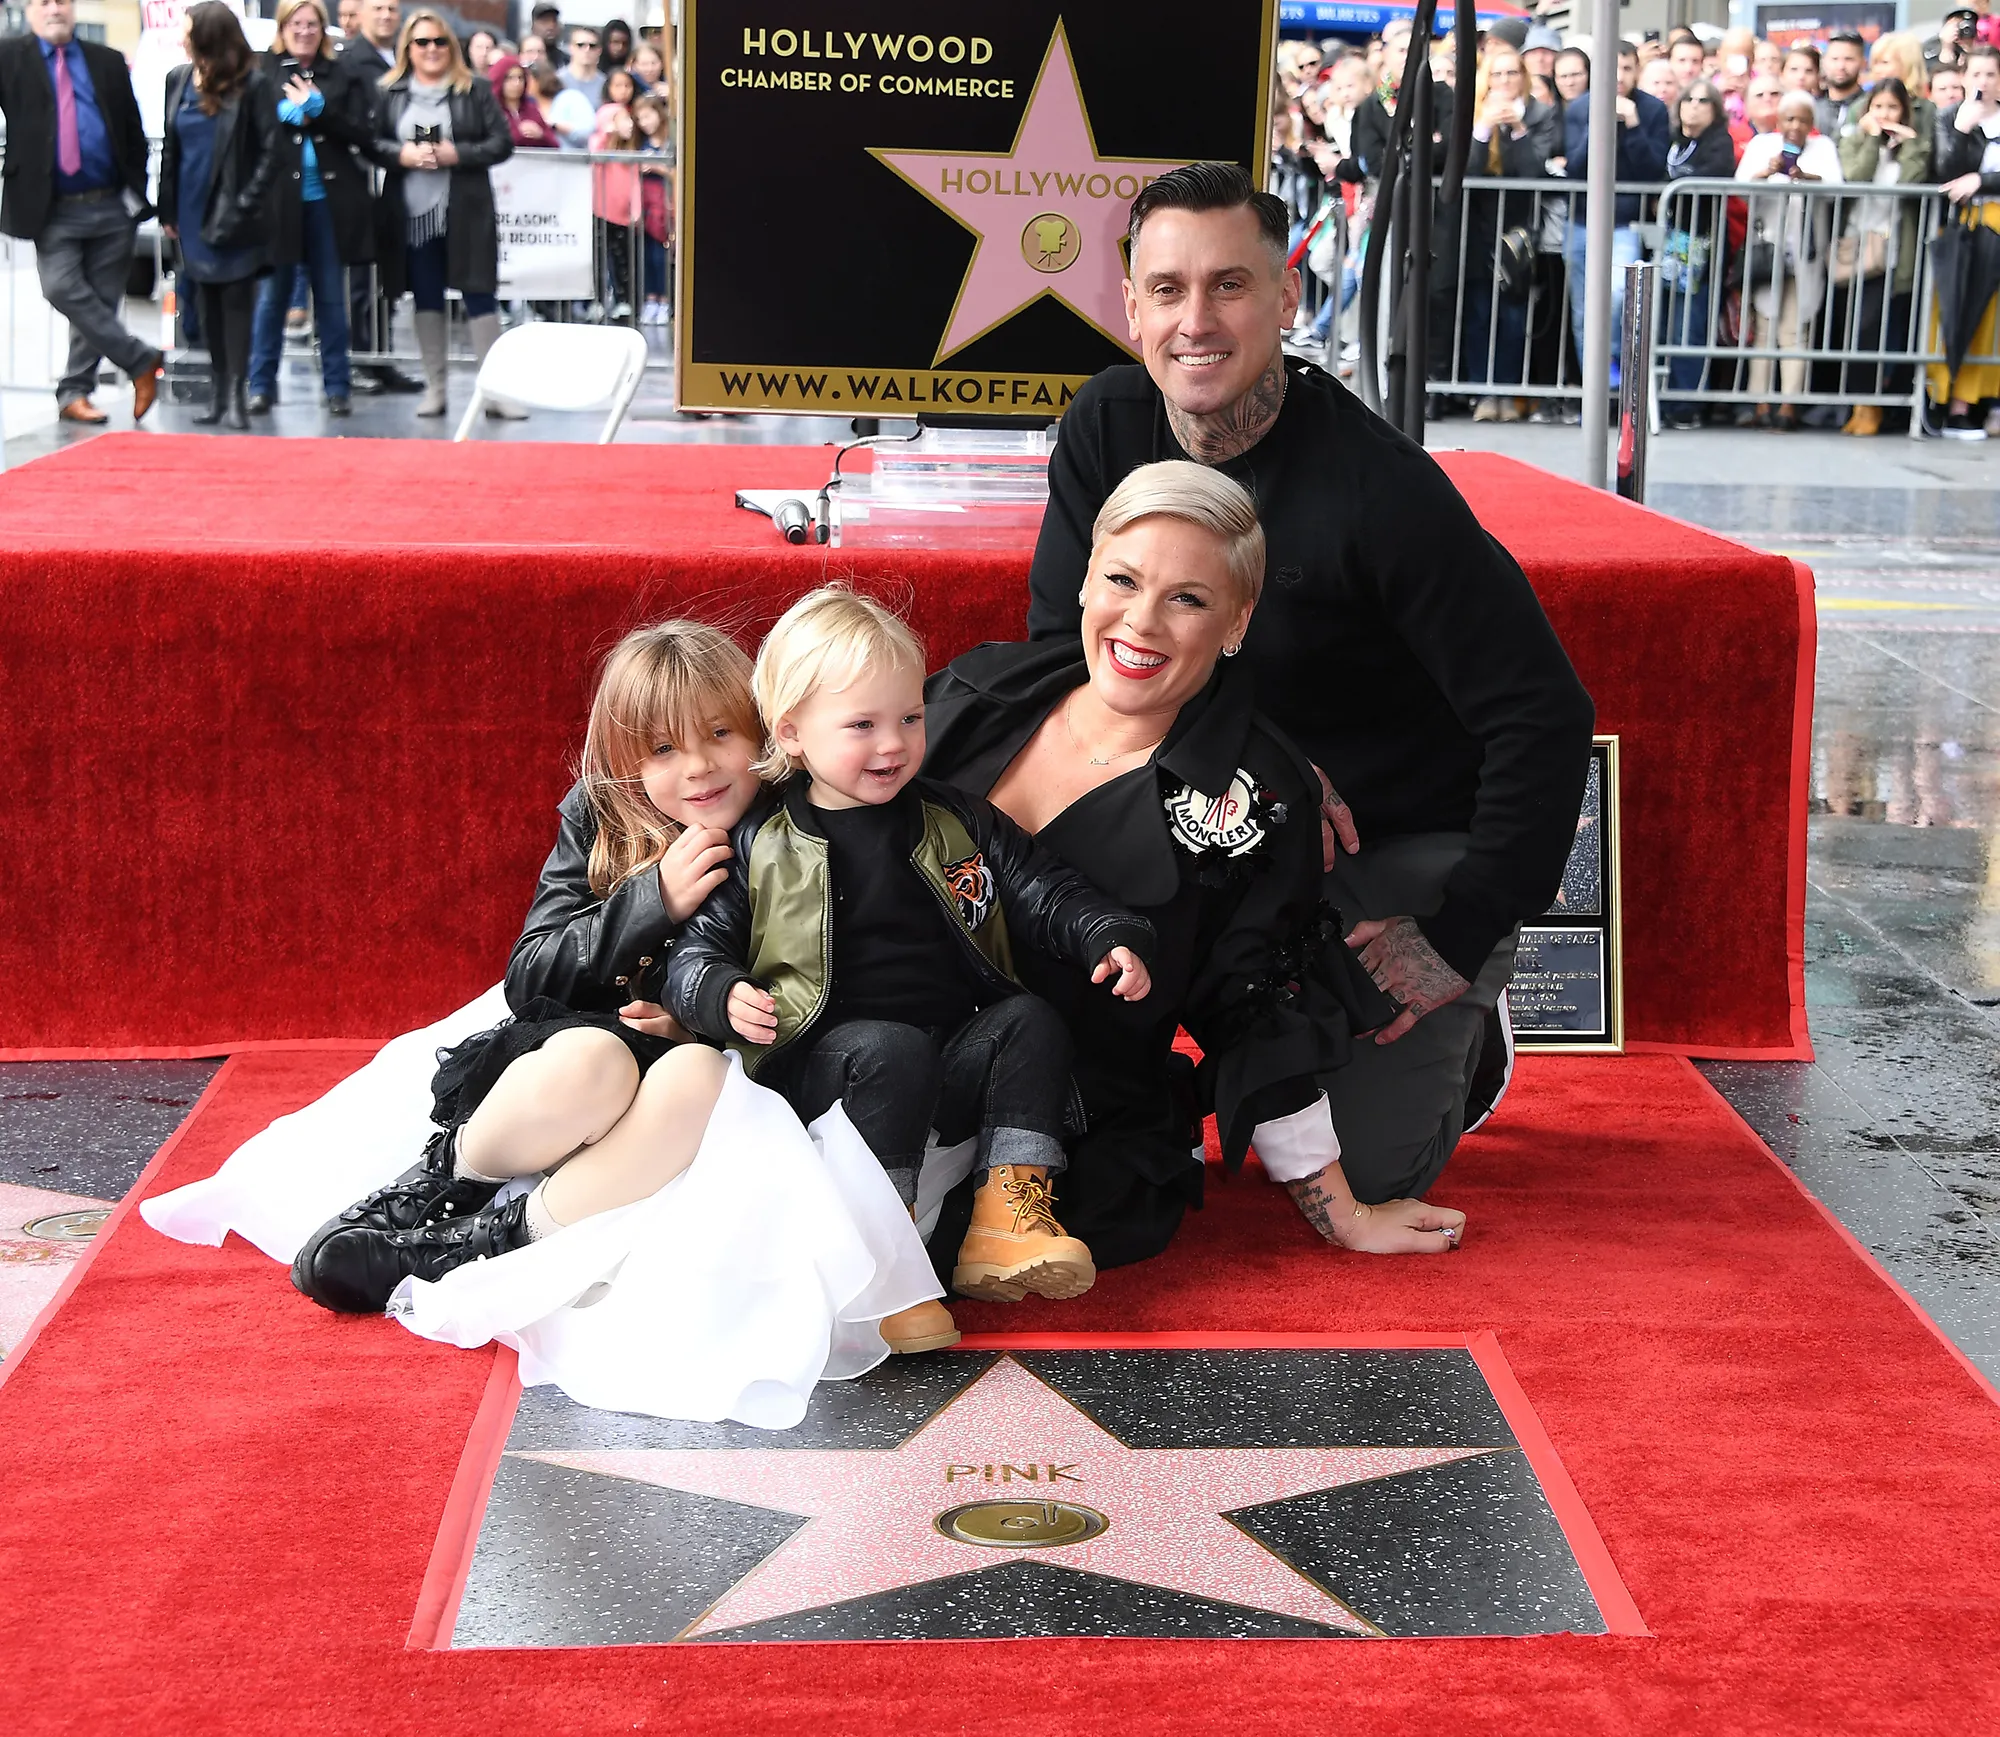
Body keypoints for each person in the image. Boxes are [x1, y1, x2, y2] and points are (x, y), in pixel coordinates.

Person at [169, 619, 948, 1424]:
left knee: (696, 1075)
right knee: (595, 1060)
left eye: (722, 734)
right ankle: (437, 1187)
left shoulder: (796, 820)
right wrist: (653, 901)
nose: (701, 766)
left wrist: (704, 1015)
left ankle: (493, 1239)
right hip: (576, 1050)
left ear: (768, 732)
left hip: (706, 1070)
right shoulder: (602, 815)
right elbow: (532, 971)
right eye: (664, 751)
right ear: (622, 765)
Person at [1027, 163, 1594, 1213]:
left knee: (1370, 1170)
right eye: (1165, 290)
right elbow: (1057, 657)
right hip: (1216, 817)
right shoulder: (1105, 427)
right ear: (1129, 304)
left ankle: (1468, 1021)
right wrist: (1266, 767)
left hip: (1378, 848)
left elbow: (1544, 712)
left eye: (1228, 287)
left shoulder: (1378, 487)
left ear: (1285, 298)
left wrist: (1458, 932)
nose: (1193, 321)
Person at [928, 463, 1466, 1264]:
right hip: (884, 1056)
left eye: (1187, 598)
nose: (1141, 622)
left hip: (1069, 1122)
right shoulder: (977, 690)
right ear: (1084, 579)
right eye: (1122, 579)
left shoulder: (1258, 795)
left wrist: (1342, 1212)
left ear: (1238, 622)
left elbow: (1254, 1007)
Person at [668, 588, 1158, 1316]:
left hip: (946, 1058)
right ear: (793, 732)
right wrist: (719, 990)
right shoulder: (761, 841)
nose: (893, 743)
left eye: (909, 717)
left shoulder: (953, 818)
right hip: (823, 1068)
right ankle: (886, 1257)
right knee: (891, 1048)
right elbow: (694, 949)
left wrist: (1106, 933)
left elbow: (1038, 885)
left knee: (1029, 1016)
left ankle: (1009, 1216)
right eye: (862, 724)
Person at [0, 0, 164, 426]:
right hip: (52, 208)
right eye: (44, 2)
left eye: (62, 1)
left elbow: (131, 129)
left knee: (100, 304)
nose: (55, 9)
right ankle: (141, 358)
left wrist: (134, 191)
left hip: (111, 205)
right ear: (31, 10)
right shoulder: (9, 57)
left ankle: (75, 392)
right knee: (61, 288)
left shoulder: (105, 60)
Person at [366, 11, 514, 419]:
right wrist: (401, 154)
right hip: (411, 216)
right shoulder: (389, 92)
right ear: (408, 49)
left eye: (439, 42)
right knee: (426, 296)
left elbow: (502, 143)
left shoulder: (475, 90)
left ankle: (496, 393)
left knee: (480, 294)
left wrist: (457, 154)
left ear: (452, 46)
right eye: (422, 42)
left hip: (465, 211)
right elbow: (372, 143)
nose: (431, 50)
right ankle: (436, 389)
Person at [247, 0, 374, 419]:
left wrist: (320, 112)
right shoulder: (263, 72)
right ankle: (261, 384)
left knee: (331, 300)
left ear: (324, 29)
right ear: (283, 28)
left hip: (327, 203)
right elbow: (249, 127)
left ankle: (337, 385)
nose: (304, 31)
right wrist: (281, 114)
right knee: (273, 299)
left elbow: (361, 132)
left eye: (312, 24)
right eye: (296, 24)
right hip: (280, 202)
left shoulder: (343, 74)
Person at [159, 3, 278, 431]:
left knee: (235, 304)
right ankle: (217, 393)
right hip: (189, 210)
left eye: (187, 30)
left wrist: (244, 205)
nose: (181, 37)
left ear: (208, 35)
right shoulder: (177, 79)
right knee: (204, 305)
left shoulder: (253, 85)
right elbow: (171, 149)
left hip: (233, 209)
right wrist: (166, 208)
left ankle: (237, 399)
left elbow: (271, 152)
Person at [1563, 40, 1670, 389]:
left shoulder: (1653, 110)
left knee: (1618, 298)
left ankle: (1613, 372)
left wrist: (1634, 125)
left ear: (1637, 70)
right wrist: (1601, 124)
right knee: (1583, 311)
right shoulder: (1581, 108)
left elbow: (1653, 170)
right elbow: (1576, 167)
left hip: (1625, 221)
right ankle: (1594, 390)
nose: (1620, 77)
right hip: (1582, 221)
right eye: (1613, 68)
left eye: (1626, 68)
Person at [1461, 43, 1560, 420]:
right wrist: (1484, 129)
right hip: (1479, 226)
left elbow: (1535, 173)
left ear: (1524, 77)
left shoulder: (1540, 115)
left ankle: (1505, 389)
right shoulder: (1471, 113)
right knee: (1479, 312)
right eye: (1497, 73)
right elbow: (1465, 171)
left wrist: (1518, 130)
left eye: (1511, 73)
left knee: (1514, 315)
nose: (1504, 81)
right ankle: (1481, 393)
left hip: (1519, 229)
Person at [1735, 88, 1843, 429]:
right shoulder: (1762, 145)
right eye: (1789, 118)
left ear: (1812, 122)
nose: (1795, 125)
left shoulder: (1823, 147)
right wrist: (1767, 172)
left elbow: (1838, 188)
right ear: (1778, 120)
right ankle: (1759, 402)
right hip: (1769, 251)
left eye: (1802, 119)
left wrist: (1807, 178)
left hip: (1806, 253)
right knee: (1764, 326)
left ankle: (1789, 404)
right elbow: (1739, 187)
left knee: (1796, 329)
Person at [336, 0, 423, 396]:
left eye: (391, 7)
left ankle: (381, 358)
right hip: (362, 178)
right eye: (378, 7)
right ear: (361, 14)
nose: (386, 14)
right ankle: (359, 360)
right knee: (360, 279)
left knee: (387, 275)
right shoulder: (351, 60)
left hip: (397, 178)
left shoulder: (405, 56)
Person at [1834, 76, 1929, 434]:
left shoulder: (1912, 145)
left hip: (1895, 250)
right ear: (1867, 109)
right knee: (1856, 329)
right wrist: (1873, 138)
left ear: (1904, 111)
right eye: (1879, 107)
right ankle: (1859, 406)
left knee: (1879, 328)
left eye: (1893, 108)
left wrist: (1910, 147)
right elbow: (1854, 175)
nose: (1885, 114)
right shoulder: (1855, 138)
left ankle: (1873, 407)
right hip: (1857, 245)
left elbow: (1911, 183)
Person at [1929, 43, 2000, 437]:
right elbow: (1944, 172)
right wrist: (1961, 130)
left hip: (1996, 221)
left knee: (1989, 322)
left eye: (1991, 74)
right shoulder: (1949, 117)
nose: (1983, 82)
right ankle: (1942, 402)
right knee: (1951, 311)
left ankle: (1970, 405)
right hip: (1962, 227)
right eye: (1976, 74)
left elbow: (1975, 179)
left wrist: (1983, 181)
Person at [1661, 80, 1737, 429]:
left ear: (1716, 108)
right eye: (1687, 98)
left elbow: (1714, 174)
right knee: (1664, 322)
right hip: (1667, 242)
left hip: (1701, 245)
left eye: (1703, 100)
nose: (1693, 105)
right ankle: (1663, 398)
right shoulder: (1673, 140)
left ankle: (1684, 404)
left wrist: (1676, 179)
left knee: (1690, 324)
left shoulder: (1718, 142)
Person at [592, 65, 640, 319]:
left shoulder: (632, 138)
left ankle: (624, 298)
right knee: (598, 254)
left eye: (627, 85)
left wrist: (636, 206)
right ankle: (597, 299)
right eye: (617, 85)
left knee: (623, 256)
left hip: (622, 207)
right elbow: (595, 153)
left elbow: (633, 176)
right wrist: (609, 131)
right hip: (600, 204)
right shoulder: (601, 129)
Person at [632, 91, 672, 324]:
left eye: (648, 116)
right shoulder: (641, 143)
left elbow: (677, 172)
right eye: (640, 118)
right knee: (646, 254)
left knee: (661, 256)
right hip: (645, 205)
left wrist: (657, 168)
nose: (645, 123)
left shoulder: (670, 142)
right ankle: (650, 298)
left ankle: (665, 299)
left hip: (666, 205)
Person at [489, 53, 554, 147]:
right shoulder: (490, 111)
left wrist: (541, 135)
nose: (517, 83)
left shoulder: (532, 109)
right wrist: (519, 134)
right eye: (510, 78)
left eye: (520, 78)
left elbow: (555, 144)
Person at [1816, 32, 1867, 136]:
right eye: (1834, 59)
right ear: (1824, 62)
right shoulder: (1812, 107)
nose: (1841, 66)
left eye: (1849, 59)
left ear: (1863, 63)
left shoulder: (1871, 106)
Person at [559, 23, 605, 106]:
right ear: (571, 48)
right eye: (580, 45)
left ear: (599, 50)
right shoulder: (557, 81)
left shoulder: (606, 84)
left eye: (592, 46)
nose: (586, 49)